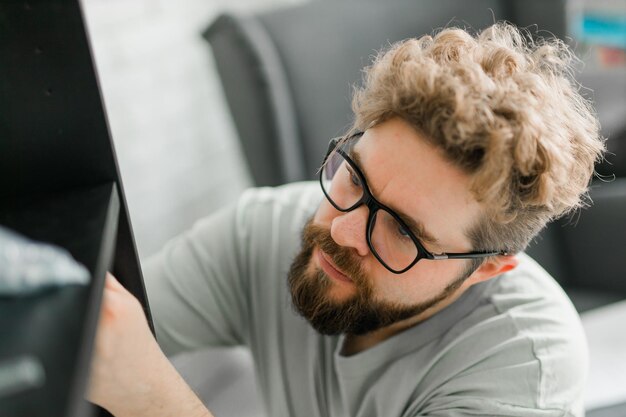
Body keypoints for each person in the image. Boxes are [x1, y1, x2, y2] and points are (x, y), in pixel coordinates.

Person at [88, 22, 605, 417]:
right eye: (355, 179)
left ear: (488, 268)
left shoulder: (524, 367)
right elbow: (102, 329)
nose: (343, 230)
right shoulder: (265, 230)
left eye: (403, 231)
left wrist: (150, 397)